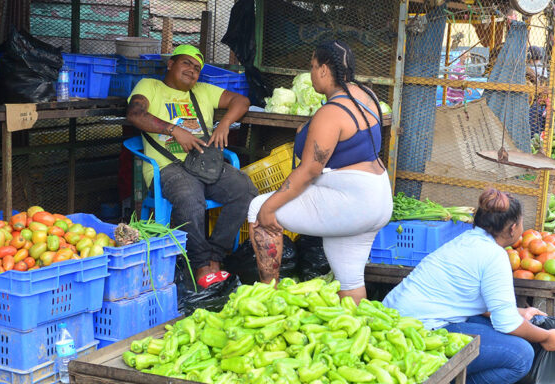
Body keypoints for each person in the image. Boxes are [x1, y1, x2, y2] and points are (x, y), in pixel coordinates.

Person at [246, 40, 392, 302]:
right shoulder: (366, 95)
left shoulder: (332, 112)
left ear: (324, 70)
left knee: (258, 208)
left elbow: (309, 172)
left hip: (351, 202)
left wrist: (270, 207)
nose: (311, 72)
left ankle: (268, 300)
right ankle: (356, 328)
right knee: (349, 279)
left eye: (313, 67)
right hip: (378, 197)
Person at [382, 188, 555, 384]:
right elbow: (507, 323)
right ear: (513, 228)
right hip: (418, 334)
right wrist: (547, 337)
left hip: (396, 320)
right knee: (522, 355)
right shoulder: (494, 255)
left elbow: (471, 299)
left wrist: (518, 311)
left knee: (512, 329)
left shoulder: (465, 240)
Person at [125, 44, 257, 288]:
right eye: (186, 63)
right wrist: (174, 130)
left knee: (245, 189)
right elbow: (135, 114)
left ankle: (216, 257)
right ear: (171, 64)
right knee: (189, 196)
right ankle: (200, 265)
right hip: (167, 167)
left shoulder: (203, 91)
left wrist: (225, 123)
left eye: (197, 68)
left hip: (204, 164)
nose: (192, 70)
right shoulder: (149, 86)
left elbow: (242, 100)